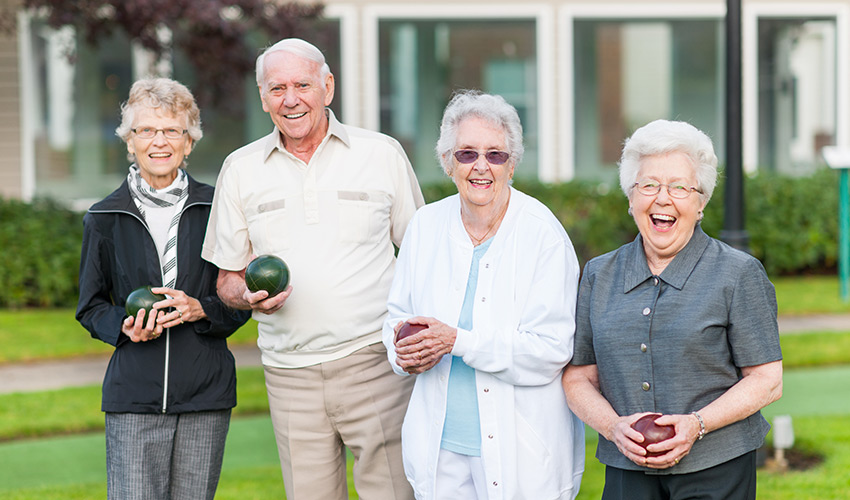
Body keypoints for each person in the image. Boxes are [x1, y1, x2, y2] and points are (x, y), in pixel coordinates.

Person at [202, 38, 424, 499]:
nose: (290, 98)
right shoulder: (240, 169)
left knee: (394, 493)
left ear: (328, 86)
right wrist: (245, 296)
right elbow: (225, 279)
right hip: (289, 375)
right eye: (277, 87)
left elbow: (424, 255)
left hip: (375, 364)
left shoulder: (380, 154)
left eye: (302, 84)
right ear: (263, 98)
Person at [562, 119, 783, 500]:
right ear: (631, 198)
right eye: (649, 185)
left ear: (700, 204)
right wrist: (614, 428)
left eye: (680, 187)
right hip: (625, 469)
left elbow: (767, 379)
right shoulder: (599, 275)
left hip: (717, 468)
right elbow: (578, 377)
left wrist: (697, 424)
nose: (663, 198)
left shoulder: (738, 274)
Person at [383, 90, 585, 500]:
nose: (481, 167)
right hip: (441, 447)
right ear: (447, 162)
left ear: (511, 166)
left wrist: (458, 341)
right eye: (466, 154)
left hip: (522, 452)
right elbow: (397, 317)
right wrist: (402, 352)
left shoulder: (543, 234)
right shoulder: (425, 226)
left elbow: (550, 349)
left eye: (495, 155)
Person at [76, 77, 251, 500]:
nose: (160, 141)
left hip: (206, 393)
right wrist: (125, 326)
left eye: (173, 130)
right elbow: (91, 306)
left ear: (189, 143)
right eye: (146, 130)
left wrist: (202, 309)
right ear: (129, 142)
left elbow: (240, 299)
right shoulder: (103, 217)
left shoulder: (217, 207)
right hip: (133, 396)